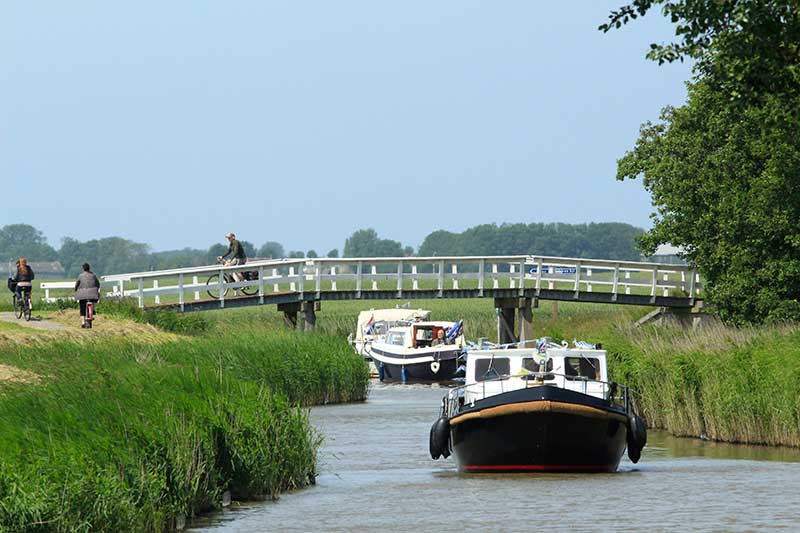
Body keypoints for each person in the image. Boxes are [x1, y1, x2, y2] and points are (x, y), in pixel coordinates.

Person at [74, 263, 100, 329]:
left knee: (82, 307)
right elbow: (98, 284)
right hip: (92, 294)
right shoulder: (93, 275)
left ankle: (83, 323)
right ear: (89, 268)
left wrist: (76, 289)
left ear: (83, 269)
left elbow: (77, 284)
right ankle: (92, 310)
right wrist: (96, 289)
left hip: (82, 295)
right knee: (93, 300)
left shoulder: (80, 276)